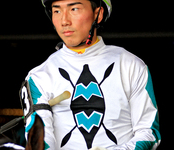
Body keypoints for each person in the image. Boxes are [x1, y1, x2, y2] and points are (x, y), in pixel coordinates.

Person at [21, 0, 161, 149]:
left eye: (74, 9)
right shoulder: (38, 77)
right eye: (57, 11)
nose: (64, 21)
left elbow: (149, 133)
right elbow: (40, 142)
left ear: (98, 14)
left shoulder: (131, 65)